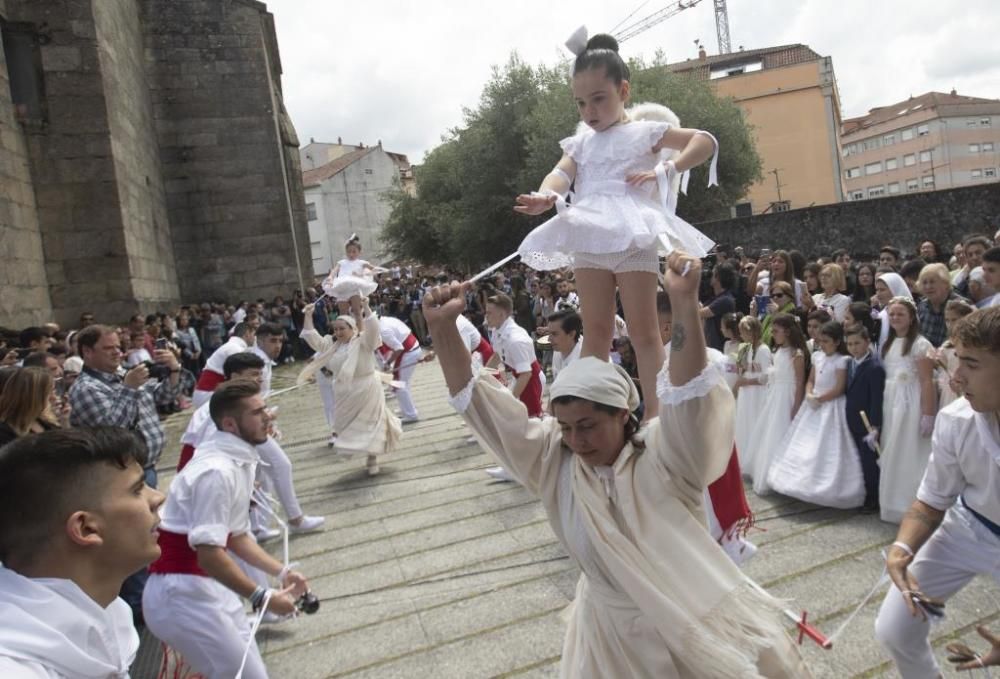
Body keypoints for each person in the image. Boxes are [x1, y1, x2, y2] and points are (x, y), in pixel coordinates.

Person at [422, 252, 809, 677]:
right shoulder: (556, 460)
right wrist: (442, 329)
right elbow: (482, 408)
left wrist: (683, 305)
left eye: (587, 425)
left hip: (688, 624)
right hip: (608, 641)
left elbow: (687, 391)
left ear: (623, 413)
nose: (576, 440)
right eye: (565, 427)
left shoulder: (664, 455)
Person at [513, 31, 717, 422]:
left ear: (623, 90)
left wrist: (668, 167)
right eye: (581, 102)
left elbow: (703, 141)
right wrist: (545, 196)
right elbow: (559, 173)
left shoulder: (645, 132)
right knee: (596, 331)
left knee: (643, 332)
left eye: (598, 98)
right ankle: (592, 410)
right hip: (590, 234)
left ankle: (658, 415)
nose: (589, 110)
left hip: (631, 232)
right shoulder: (581, 142)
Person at [143, 381, 311, 679]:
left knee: (250, 669)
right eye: (258, 412)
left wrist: (282, 573)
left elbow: (235, 536)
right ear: (230, 424)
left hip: (202, 586)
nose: (268, 417)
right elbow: (208, 553)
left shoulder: (235, 460)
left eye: (265, 409)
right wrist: (262, 597)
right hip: (181, 592)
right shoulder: (217, 472)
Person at [874, 307, 1000, 677]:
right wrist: (902, 549)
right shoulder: (957, 419)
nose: (957, 377)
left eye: (972, 364)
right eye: (957, 360)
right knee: (894, 629)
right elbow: (932, 500)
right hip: (968, 528)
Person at [0, 428, 165, 678]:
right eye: (137, 489)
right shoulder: (16, 669)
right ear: (86, 528)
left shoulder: (107, 609)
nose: (158, 497)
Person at [767, 321, 865, 508]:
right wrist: (810, 393)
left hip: (831, 405)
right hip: (813, 404)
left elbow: (839, 387)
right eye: (820, 341)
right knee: (804, 443)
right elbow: (811, 379)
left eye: (826, 341)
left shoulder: (842, 360)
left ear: (837, 342)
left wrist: (821, 398)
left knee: (828, 444)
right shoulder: (817, 356)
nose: (822, 345)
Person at [299, 300, 401, 476]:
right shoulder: (330, 346)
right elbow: (311, 336)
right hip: (344, 391)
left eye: (342, 329)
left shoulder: (363, 341)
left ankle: (372, 457)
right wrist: (308, 314)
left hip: (368, 386)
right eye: (335, 329)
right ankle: (362, 450)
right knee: (348, 426)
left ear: (352, 328)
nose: (337, 332)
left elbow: (373, 329)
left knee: (372, 423)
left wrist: (366, 308)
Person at [878, 297, 937, 523]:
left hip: (911, 403)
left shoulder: (920, 344)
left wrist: (928, 413)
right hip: (891, 401)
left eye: (900, 314)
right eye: (892, 314)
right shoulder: (889, 343)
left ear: (911, 318)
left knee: (909, 450)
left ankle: (910, 505)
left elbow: (926, 381)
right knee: (891, 448)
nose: (895, 318)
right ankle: (890, 502)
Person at [747, 313, 808, 495]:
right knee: (769, 432)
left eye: (776, 331)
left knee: (781, 433)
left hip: (787, 396)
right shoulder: (778, 351)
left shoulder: (796, 354)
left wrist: (796, 406)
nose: (772, 334)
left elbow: (799, 382)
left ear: (787, 332)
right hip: (775, 395)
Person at [843, 326, 886, 512]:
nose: (853, 347)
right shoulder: (850, 363)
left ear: (868, 342)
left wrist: (875, 426)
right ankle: (861, 494)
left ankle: (874, 498)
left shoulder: (875, 367)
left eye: (857, 343)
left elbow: (877, 399)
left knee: (869, 463)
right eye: (850, 344)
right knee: (858, 461)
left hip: (866, 423)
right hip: (851, 419)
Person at [485, 292, 544, 418]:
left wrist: (511, 399)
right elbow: (497, 356)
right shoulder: (497, 330)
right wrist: (483, 375)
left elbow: (526, 374)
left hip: (530, 380)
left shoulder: (515, 339)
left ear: (501, 314)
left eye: (489, 313)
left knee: (533, 419)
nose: (486, 317)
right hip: (519, 376)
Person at [733, 315, 772, 473]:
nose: (741, 335)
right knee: (745, 421)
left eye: (744, 332)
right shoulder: (747, 349)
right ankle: (745, 457)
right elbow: (744, 369)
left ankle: (756, 460)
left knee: (756, 421)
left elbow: (767, 377)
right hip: (747, 393)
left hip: (758, 392)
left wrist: (747, 382)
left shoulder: (763, 350)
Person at [192, 322, 256, 408]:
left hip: (209, 392)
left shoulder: (232, 346)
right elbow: (240, 377)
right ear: (247, 333)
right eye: (253, 334)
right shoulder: (234, 348)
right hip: (208, 393)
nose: (255, 338)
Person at [0, 367, 66, 447]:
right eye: (49, 392)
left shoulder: (44, 419)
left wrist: (64, 420)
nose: (54, 397)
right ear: (33, 397)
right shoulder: (4, 432)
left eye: (54, 391)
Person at [376, 314, 423, 423]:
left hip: (408, 352)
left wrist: (388, 363)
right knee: (402, 383)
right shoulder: (385, 319)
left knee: (398, 384)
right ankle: (406, 409)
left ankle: (411, 414)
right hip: (411, 348)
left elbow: (398, 348)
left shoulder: (383, 330)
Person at [321, 234, 379, 318]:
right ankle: (345, 329)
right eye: (349, 251)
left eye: (354, 251)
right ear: (346, 252)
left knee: (357, 311)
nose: (351, 254)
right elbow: (334, 271)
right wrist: (330, 278)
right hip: (342, 286)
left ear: (359, 252)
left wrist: (361, 274)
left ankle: (360, 330)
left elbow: (375, 270)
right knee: (342, 312)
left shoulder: (362, 262)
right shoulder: (341, 262)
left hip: (355, 286)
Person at [916, 262, 966, 348]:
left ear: (946, 283)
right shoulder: (921, 306)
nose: (928, 287)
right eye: (924, 283)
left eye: (932, 282)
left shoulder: (961, 305)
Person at [700, 262, 737, 351]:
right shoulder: (715, 298)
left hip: (721, 349)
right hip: (712, 348)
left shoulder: (726, 300)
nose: (710, 277)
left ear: (718, 277)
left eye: (713, 274)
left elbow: (700, 313)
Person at [873, 272, 912, 348]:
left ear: (895, 289)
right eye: (877, 290)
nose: (878, 294)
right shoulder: (881, 315)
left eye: (882, 290)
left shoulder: (909, 314)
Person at [757, 281, 797, 346]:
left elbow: (790, 336)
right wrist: (752, 312)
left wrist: (776, 315)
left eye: (779, 295)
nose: (775, 298)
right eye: (772, 296)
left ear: (789, 297)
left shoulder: (794, 313)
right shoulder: (768, 314)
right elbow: (756, 333)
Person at [547, 309, 583, 378]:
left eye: (554, 334)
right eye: (549, 333)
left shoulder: (584, 361)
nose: (549, 339)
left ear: (572, 334)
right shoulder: (558, 349)